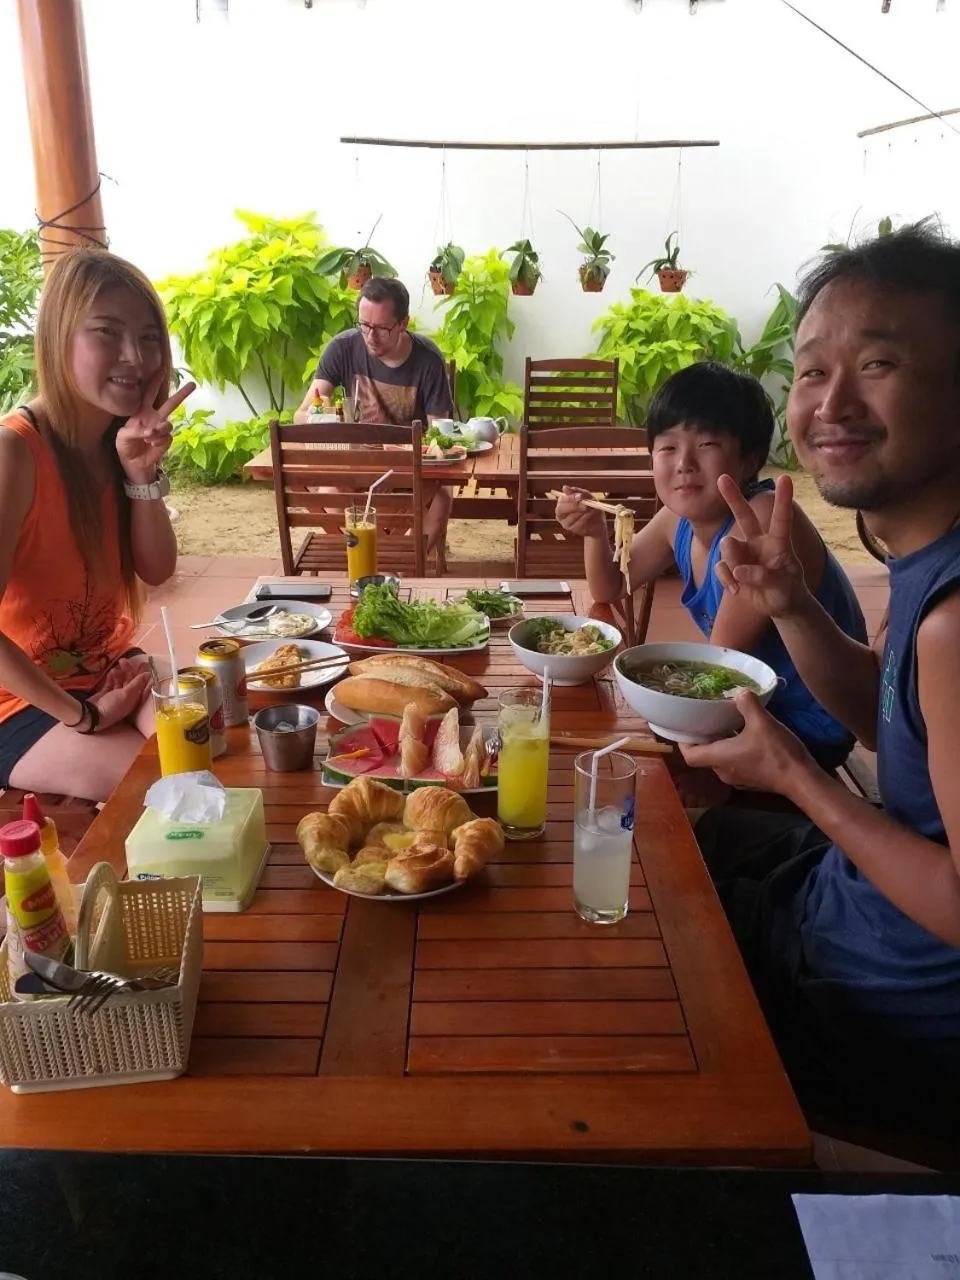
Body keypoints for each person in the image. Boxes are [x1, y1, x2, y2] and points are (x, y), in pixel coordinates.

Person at [679, 223, 960, 1134]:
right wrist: (794, 605)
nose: (830, 402)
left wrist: (797, 777)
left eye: (877, 364)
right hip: (846, 902)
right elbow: (892, 720)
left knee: (629, 953)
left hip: (880, 1009)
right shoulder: (926, 559)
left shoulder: (956, 621)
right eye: (810, 370)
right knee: (663, 854)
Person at [555, 362, 867, 772]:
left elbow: (715, 669)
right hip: (739, 703)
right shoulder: (676, 519)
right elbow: (609, 589)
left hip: (802, 727)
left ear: (749, 458)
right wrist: (595, 533)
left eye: (705, 445)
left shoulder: (761, 526)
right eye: (667, 447)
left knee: (621, 766)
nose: (683, 462)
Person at [0, 249, 193, 803]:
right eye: (107, 332)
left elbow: (156, 568)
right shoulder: (15, 453)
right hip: (24, 701)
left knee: (210, 746)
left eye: (149, 337)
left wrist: (140, 471)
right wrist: (81, 714)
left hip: (111, 669)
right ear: (60, 337)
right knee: (165, 791)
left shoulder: (118, 440)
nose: (135, 356)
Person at [295, 276, 454, 551]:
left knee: (443, 496)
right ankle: (370, 562)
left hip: (410, 470)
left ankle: (406, 571)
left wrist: (397, 467)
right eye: (364, 325)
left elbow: (440, 435)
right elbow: (301, 416)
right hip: (356, 466)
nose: (370, 336)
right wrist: (326, 416)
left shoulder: (428, 360)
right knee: (328, 491)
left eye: (381, 328)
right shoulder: (343, 348)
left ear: (403, 324)